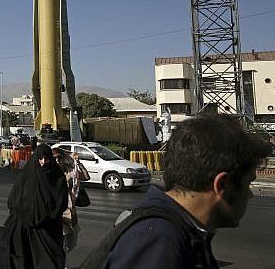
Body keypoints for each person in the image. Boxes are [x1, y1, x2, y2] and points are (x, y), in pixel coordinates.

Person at [83, 114, 271, 269]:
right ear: (221, 185)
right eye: (248, 184)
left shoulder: (180, 231)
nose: (250, 195)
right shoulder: (161, 242)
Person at [3, 144, 68, 269]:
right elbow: (13, 200)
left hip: (47, 229)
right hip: (24, 228)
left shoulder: (57, 177)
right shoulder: (27, 176)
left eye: (47, 158)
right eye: (40, 158)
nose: (43, 162)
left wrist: (45, 216)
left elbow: (61, 202)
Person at [52, 148, 90, 253]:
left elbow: (86, 177)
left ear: (64, 158)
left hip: (72, 211)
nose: (57, 160)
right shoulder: (50, 173)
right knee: (63, 246)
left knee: (72, 243)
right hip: (60, 213)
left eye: (59, 157)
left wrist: (79, 164)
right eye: (54, 158)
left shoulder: (71, 171)